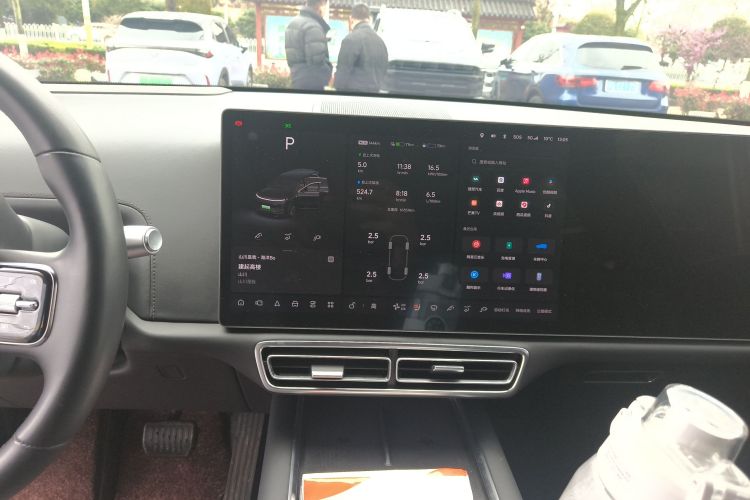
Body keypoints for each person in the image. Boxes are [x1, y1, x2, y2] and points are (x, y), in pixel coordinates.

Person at [334, 4, 388, 93]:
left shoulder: (350, 39)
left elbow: (342, 73)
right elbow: (383, 71)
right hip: (375, 95)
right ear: (369, 19)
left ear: (351, 19)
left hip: (353, 95)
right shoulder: (381, 42)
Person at [285, 0, 333, 91]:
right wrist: (328, 69)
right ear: (321, 5)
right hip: (312, 82)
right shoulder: (313, 26)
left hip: (296, 77)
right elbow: (317, 62)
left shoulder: (293, 22)